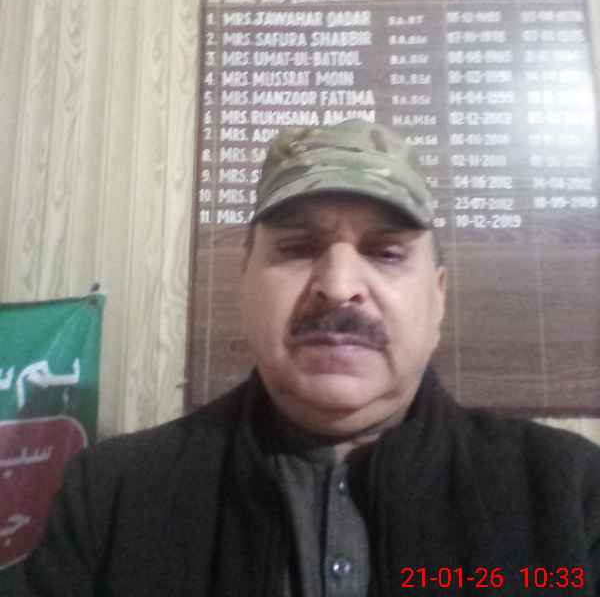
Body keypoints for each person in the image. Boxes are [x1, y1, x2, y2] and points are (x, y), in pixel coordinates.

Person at [15, 119, 600, 595]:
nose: (338, 287)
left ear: (438, 297)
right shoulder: (111, 497)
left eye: (387, 253)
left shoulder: (571, 496)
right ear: (245, 282)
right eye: (296, 248)